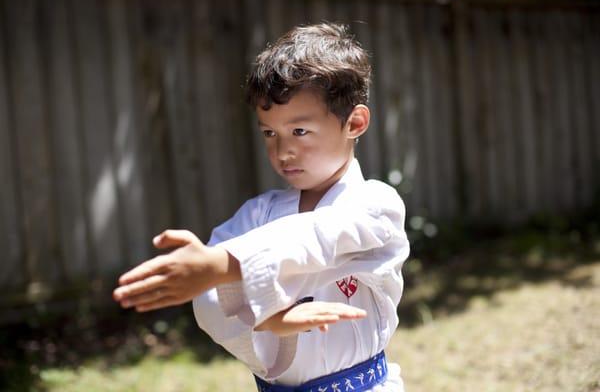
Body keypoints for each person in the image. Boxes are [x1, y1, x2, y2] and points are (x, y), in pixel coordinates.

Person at [113, 23, 410, 391]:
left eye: (299, 131)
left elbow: (318, 236)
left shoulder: (375, 205)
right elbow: (211, 294)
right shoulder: (259, 214)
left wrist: (224, 265)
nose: (282, 151)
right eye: (270, 133)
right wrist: (267, 317)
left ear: (355, 122)